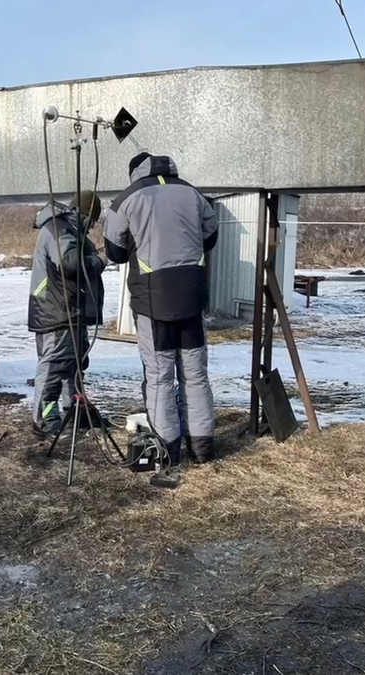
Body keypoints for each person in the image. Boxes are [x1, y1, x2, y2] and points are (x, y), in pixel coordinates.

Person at [104, 153, 218, 488]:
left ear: (134, 173)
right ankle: (202, 448)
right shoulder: (193, 193)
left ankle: (168, 452)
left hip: (153, 303)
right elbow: (210, 237)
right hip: (192, 297)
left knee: (159, 377)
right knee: (195, 375)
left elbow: (114, 251)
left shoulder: (127, 199)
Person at [27, 190, 106, 437]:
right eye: (92, 221)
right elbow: (70, 263)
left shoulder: (68, 229)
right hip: (58, 314)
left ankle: (73, 410)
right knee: (53, 369)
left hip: (69, 311)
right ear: (85, 214)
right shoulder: (59, 228)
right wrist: (100, 261)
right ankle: (45, 419)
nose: (93, 226)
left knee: (74, 365)